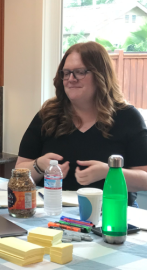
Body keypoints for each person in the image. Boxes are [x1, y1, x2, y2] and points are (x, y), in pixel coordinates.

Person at [16, 41, 147, 206]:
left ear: (101, 75)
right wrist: (39, 166)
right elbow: (19, 171)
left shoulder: (127, 117)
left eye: (79, 72)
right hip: (52, 213)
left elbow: (144, 179)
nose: (71, 79)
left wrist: (109, 173)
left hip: (111, 215)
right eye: (66, 73)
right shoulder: (48, 115)